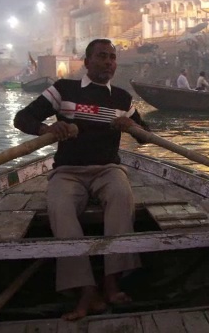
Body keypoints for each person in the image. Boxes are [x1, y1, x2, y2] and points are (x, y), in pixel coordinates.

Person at [13, 38, 148, 321]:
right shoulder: (64, 90)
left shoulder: (122, 99)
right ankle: (86, 288)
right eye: (102, 56)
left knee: (122, 196)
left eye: (112, 57)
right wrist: (48, 128)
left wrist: (133, 126)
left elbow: (146, 134)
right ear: (86, 62)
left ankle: (112, 280)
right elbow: (22, 118)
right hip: (68, 171)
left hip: (107, 169)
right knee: (59, 207)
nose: (108, 62)